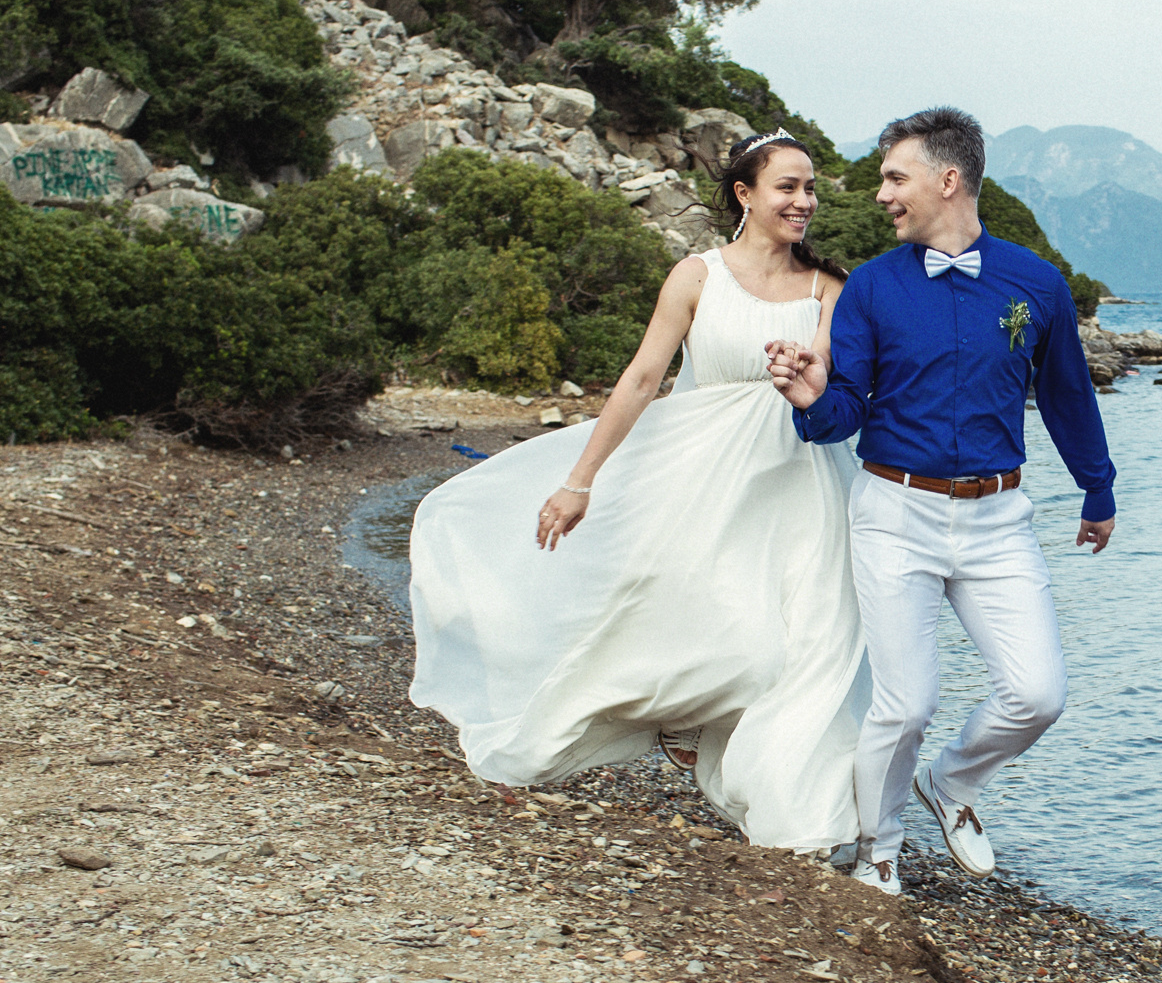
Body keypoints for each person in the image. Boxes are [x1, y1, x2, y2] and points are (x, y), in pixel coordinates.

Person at [408, 130, 871, 851]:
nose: (804, 201)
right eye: (788, 187)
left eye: (810, 188)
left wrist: (805, 379)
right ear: (745, 195)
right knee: (723, 639)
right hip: (699, 482)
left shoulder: (829, 289)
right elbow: (641, 379)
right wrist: (579, 480)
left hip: (801, 488)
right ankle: (676, 720)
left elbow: (838, 393)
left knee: (799, 653)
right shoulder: (696, 277)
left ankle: (801, 813)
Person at [765, 107, 1116, 896]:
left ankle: (953, 784)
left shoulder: (1036, 283)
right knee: (906, 703)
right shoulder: (871, 289)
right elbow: (843, 411)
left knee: (1036, 694)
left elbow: (1065, 395)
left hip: (1001, 519)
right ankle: (879, 849)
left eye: (895, 176)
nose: (882, 193)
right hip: (894, 510)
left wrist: (1099, 485)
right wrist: (809, 396)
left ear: (947, 179)